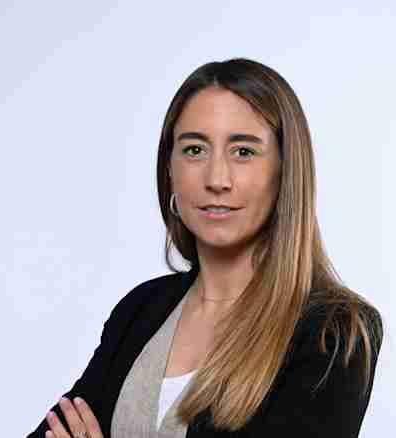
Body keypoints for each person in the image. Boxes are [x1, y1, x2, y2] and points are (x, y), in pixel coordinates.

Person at [26, 58, 384, 438]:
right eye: (195, 150)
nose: (216, 179)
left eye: (243, 152)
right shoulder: (140, 310)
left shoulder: (336, 331)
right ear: (170, 169)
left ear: (285, 171)